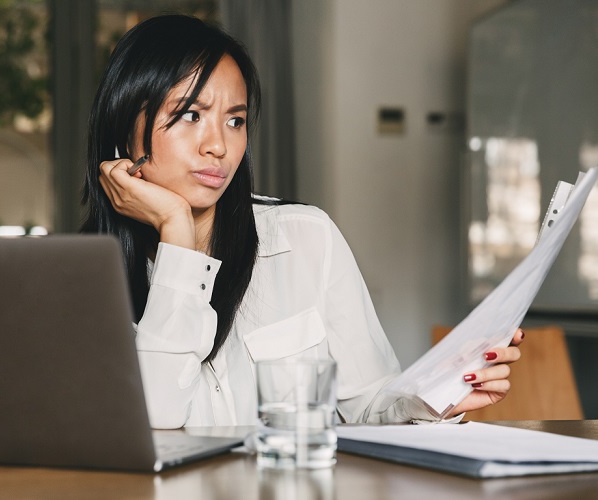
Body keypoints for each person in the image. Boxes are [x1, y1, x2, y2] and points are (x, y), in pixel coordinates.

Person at [81, 14, 524, 429]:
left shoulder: (304, 237)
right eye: (192, 115)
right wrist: (176, 231)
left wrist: (433, 399)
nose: (218, 145)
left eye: (235, 120)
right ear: (125, 130)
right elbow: (156, 426)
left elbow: (369, 406)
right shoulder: (85, 279)